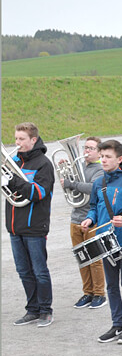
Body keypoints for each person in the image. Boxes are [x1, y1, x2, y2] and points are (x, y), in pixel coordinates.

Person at [81, 139, 122, 344]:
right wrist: (90, 218)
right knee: (111, 285)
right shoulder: (98, 183)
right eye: (101, 156)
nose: (103, 160)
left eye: (108, 157)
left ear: (119, 159)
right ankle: (116, 324)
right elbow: (93, 206)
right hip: (105, 241)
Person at [7, 122, 56, 327]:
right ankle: (32, 309)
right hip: (14, 227)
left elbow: (38, 193)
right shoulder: (14, 162)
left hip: (35, 226)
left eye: (21, 139)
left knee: (39, 270)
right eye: (16, 139)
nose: (17, 143)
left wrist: (13, 181)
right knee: (23, 271)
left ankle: (46, 310)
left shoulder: (43, 164)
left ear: (33, 140)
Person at [63, 136, 107, 309]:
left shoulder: (100, 169)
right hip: (76, 218)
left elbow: (92, 188)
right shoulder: (79, 167)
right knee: (82, 258)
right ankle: (87, 292)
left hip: (92, 219)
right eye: (85, 147)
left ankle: (99, 294)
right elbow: (71, 186)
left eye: (90, 148)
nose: (86, 151)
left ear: (99, 152)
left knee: (95, 259)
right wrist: (65, 171)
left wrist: (71, 183)